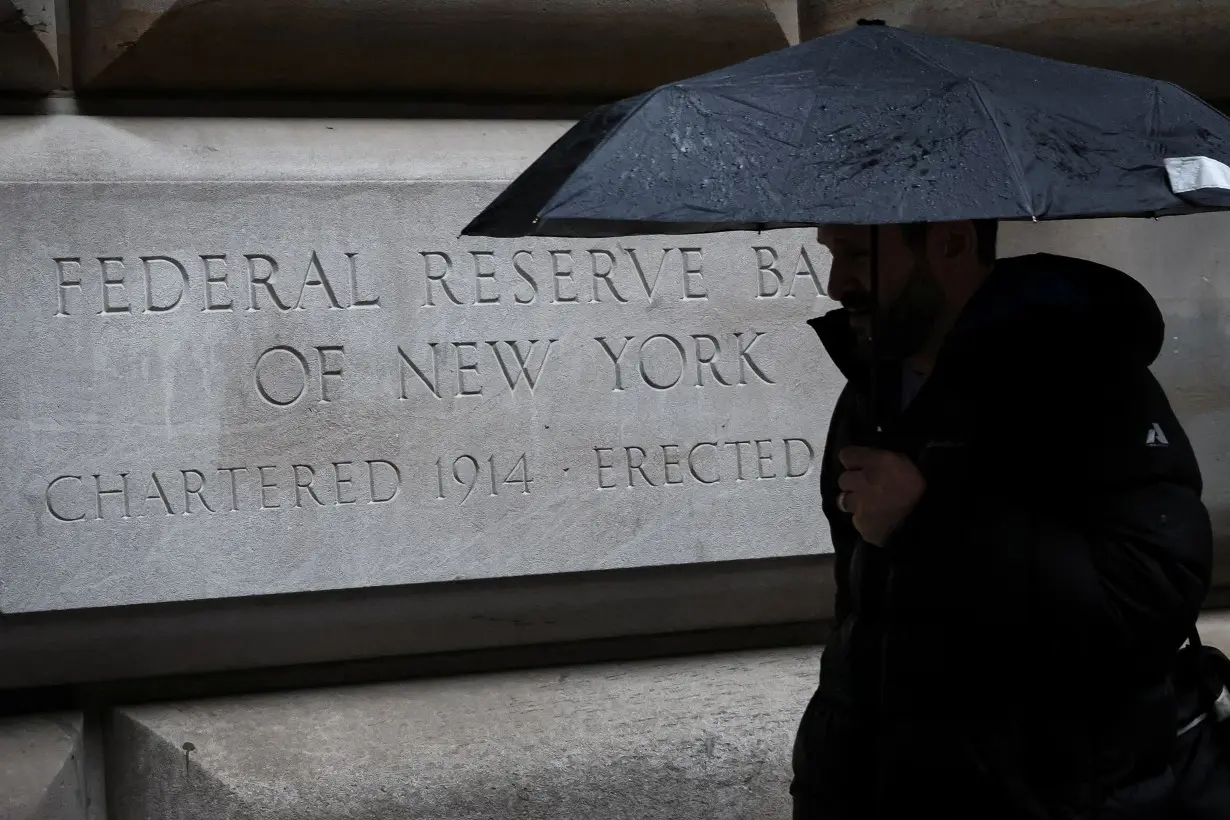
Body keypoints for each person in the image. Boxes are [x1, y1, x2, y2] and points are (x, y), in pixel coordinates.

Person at [790, 220, 1216, 819]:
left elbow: (1149, 597)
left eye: (858, 254)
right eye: (832, 254)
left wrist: (926, 522)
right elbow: (862, 613)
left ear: (952, 243)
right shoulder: (870, 392)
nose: (837, 284)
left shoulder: (1089, 380)